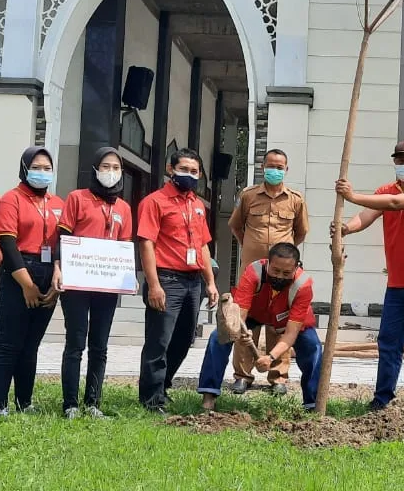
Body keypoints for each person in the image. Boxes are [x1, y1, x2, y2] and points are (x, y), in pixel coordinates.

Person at [334, 139, 404, 409]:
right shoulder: (385, 190)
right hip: (397, 283)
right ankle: (382, 399)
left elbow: (396, 203)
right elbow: (366, 215)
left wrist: (352, 195)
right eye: (400, 160)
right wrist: (346, 228)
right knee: (388, 343)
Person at [53, 147, 133, 419]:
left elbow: (124, 246)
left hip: (106, 286)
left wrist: (127, 276)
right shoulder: (77, 198)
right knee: (75, 343)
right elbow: (62, 237)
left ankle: (93, 403)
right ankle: (70, 404)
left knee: (99, 346)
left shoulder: (124, 208)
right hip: (77, 283)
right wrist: (58, 267)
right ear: (96, 169)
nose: (111, 172)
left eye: (116, 168)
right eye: (106, 166)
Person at [138, 147, 220, 412]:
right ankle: (151, 398)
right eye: (183, 169)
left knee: (184, 339)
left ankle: (163, 386)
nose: (189, 175)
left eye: (194, 171)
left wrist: (210, 282)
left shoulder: (197, 205)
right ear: (170, 169)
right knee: (159, 340)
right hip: (166, 279)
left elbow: (203, 245)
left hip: (193, 282)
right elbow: (146, 243)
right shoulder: (154, 201)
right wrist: (154, 285)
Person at [197, 243, 322, 411]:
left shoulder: (303, 285)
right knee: (218, 338)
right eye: (275, 270)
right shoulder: (253, 271)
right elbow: (240, 315)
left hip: (286, 319)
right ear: (268, 263)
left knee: (313, 346)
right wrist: (240, 333)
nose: (279, 276)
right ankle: (209, 394)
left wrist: (270, 357)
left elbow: (291, 334)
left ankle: (312, 403)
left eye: (286, 273)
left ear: (296, 267)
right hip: (254, 314)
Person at [0, 146, 64, 416]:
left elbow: (62, 243)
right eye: (36, 167)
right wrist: (27, 285)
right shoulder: (12, 199)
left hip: (48, 273)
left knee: (31, 345)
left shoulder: (57, 203)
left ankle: (24, 402)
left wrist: (57, 275)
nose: (42, 173)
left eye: (47, 168)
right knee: (10, 343)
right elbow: (7, 244)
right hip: (19, 273)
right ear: (24, 168)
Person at [226, 148, 310, 395]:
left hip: (282, 275)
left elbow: (301, 232)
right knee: (246, 324)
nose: (275, 170)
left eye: (279, 167)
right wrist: (250, 247)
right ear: (263, 167)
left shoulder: (295, 199)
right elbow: (236, 226)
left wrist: (285, 258)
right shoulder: (248, 195)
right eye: (270, 166)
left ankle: (278, 377)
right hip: (253, 273)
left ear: (286, 169)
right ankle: (242, 376)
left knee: (279, 324)